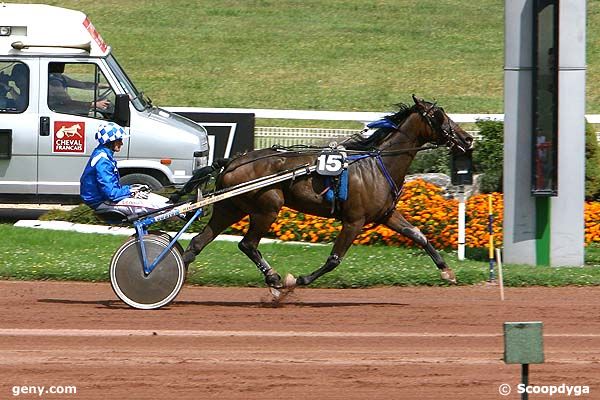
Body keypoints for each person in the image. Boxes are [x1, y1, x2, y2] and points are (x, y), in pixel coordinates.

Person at [80, 122, 169, 219]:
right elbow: (111, 194)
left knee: (165, 202)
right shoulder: (103, 161)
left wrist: (132, 189)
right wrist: (131, 190)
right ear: (110, 141)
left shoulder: (103, 155)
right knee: (161, 207)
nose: (121, 143)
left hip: (105, 199)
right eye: (119, 140)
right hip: (101, 201)